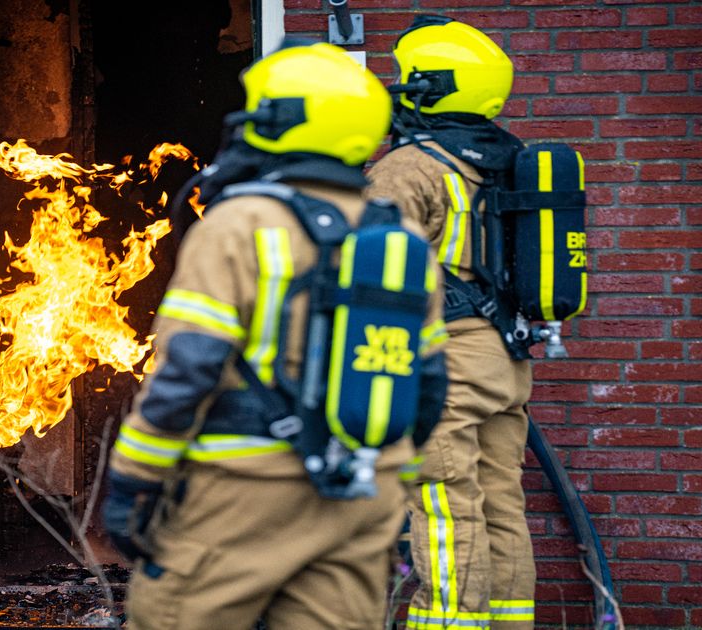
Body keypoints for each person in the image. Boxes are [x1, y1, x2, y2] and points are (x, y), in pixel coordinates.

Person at [102, 40, 449, 629]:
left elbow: (188, 370)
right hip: (364, 498)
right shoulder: (400, 238)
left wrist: (133, 480)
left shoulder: (240, 223)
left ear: (279, 123)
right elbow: (430, 387)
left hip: (246, 493)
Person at [366, 16, 537, 630]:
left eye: (407, 80)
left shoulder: (410, 168)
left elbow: (372, 272)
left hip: (448, 364)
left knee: (444, 509)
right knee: (501, 508)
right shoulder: (510, 159)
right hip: (508, 361)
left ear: (430, 86)